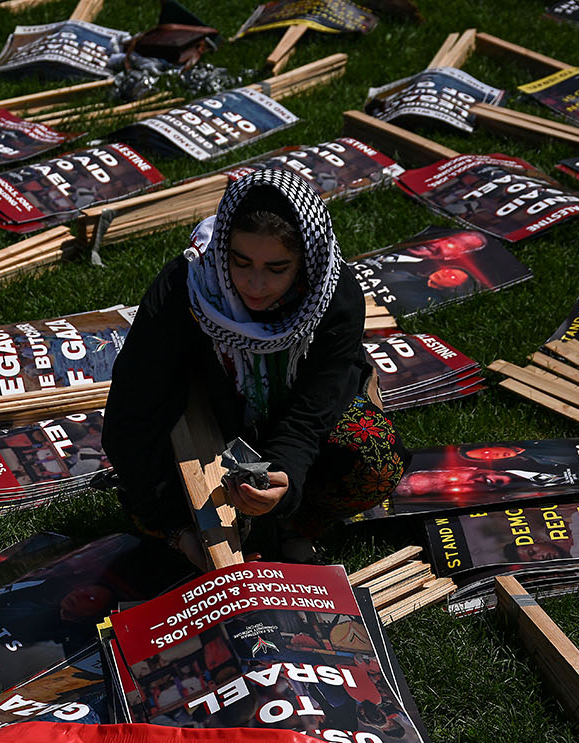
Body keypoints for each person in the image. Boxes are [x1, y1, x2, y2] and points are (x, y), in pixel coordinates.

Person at [102, 169, 403, 566]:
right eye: (240, 262)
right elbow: (133, 409)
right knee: (148, 462)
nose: (254, 284)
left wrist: (285, 478)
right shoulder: (188, 288)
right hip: (205, 422)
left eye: (276, 268)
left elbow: (313, 410)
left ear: (304, 262)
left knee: (373, 454)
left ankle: (296, 524)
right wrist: (176, 528)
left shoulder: (333, 298)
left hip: (290, 418)